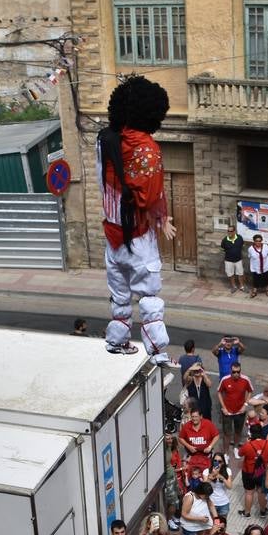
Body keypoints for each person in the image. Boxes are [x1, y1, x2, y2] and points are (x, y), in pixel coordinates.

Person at [97, 75, 175, 365]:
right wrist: (162, 218)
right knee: (149, 295)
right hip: (138, 238)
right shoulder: (147, 148)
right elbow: (149, 197)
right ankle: (157, 351)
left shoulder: (104, 140)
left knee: (119, 294)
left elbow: (105, 183)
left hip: (112, 237)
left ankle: (117, 341)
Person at [221, 227, 246, 293]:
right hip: (228, 260)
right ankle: (234, 286)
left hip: (238, 260)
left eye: (231, 231)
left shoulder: (239, 238)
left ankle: (242, 286)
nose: (229, 232)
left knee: (240, 273)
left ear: (234, 231)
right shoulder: (224, 240)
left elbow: (242, 246)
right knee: (230, 274)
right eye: (228, 231)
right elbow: (223, 249)